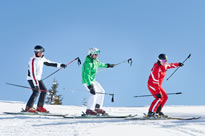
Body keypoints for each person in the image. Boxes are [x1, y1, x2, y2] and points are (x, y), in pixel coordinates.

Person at [25, 45, 67, 112]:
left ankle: (39, 107)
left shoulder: (42, 58)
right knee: (36, 91)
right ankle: (28, 107)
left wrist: (60, 65)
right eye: (40, 52)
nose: (41, 53)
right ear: (36, 52)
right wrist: (36, 84)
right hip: (32, 78)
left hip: (38, 78)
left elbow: (49, 63)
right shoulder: (33, 60)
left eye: (42, 52)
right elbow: (33, 74)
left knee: (44, 91)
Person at [147, 53, 184, 118]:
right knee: (159, 98)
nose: (165, 62)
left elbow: (171, 65)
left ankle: (158, 111)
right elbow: (155, 82)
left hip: (158, 86)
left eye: (166, 60)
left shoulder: (165, 65)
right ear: (159, 60)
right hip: (152, 85)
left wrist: (178, 64)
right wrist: (158, 92)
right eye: (163, 61)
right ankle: (151, 113)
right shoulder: (156, 69)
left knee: (165, 97)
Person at [82, 48, 115, 115]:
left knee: (102, 91)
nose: (97, 56)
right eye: (95, 54)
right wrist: (90, 86)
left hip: (93, 80)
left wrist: (108, 65)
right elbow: (86, 75)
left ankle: (97, 108)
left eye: (97, 54)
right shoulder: (87, 63)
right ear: (91, 54)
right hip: (87, 81)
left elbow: (100, 64)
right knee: (94, 94)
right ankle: (89, 110)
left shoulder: (95, 61)